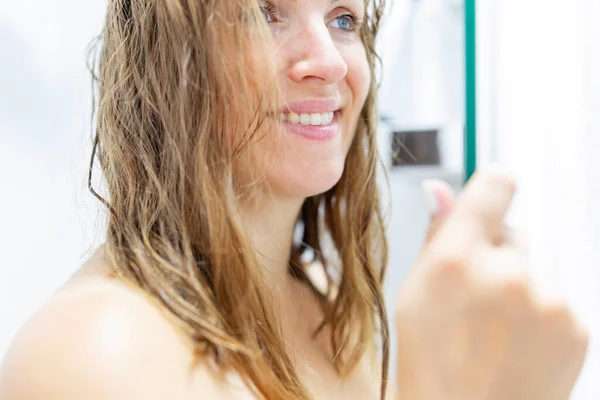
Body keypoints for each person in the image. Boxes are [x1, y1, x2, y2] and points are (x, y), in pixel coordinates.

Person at [0, 0, 589, 399]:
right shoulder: (93, 352)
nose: (330, 62)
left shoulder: (328, 304)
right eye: (268, 12)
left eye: (342, 19)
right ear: (169, 56)